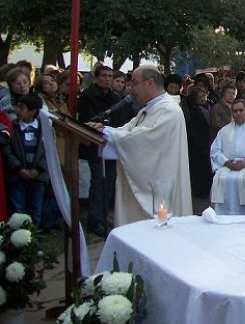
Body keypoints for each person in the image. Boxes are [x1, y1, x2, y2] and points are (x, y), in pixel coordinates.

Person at [91, 66, 192, 227]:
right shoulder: (149, 109)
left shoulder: (169, 111)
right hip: (152, 181)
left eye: (135, 83)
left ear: (150, 82)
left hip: (161, 188)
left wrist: (107, 133)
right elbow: (128, 131)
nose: (131, 89)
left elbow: (143, 141)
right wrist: (101, 130)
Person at [77, 65, 121, 236]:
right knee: (98, 184)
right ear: (96, 78)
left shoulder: (115, 97)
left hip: (111, 145)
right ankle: (95, 221)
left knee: (109, 184)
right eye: (104, 76)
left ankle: (103, 217)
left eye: (110, 76)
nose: (107, 79)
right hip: (95, 147)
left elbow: (120, 119)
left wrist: (110, 127)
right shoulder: (87, 96)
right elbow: (87, 119)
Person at [0, 94, 49, 225]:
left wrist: (38, 169)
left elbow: (49, 152)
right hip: (17, 175)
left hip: (38, 176)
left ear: (33, 111)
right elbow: (7, 150)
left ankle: (33, 237)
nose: (18, 111)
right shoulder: (13, 127)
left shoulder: (45, 129)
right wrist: (18, 168)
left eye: (22, 108)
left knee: (35, 208)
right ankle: (18, 237)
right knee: (17, 208)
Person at [184, 85, 214, 201]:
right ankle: (200, 191)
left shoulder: (211, 106)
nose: (203, 98)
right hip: (199, 143)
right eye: (200, 96)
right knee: (199, 168)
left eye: (204, 95)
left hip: (210, 140)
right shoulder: (193, 109)